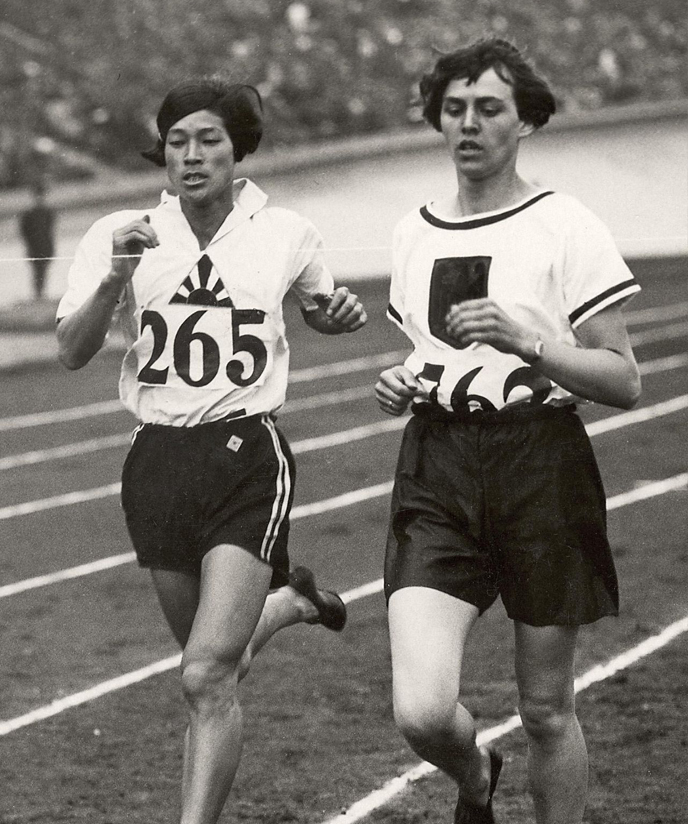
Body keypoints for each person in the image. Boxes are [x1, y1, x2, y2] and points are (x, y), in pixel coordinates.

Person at [56, 79, 366, 824]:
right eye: (178, 142)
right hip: (157, 461)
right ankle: (289, 603)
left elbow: (322, 310)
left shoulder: (285, 231)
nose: (192, 157)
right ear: (161, 151)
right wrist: (116, 278)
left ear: (239, 149)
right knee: (217, 662)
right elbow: (71, 350)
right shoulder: (118, 232)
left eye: (209, 140)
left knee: (203, 675)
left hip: (246, 454)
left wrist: (340, 316)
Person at [374, 37, 641, 824]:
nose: (468, 123)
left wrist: (527, 341)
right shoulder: (413, 233)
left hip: (539, 463)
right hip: (439, 464)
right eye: (453, 108)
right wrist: (402, 379)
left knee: (546, 709)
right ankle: (474, 777)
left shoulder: (566, 225)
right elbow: (430, 355)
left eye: (488, 108)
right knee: (421, 711)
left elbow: (625, 379)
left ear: (524, 120)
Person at [19, 181, 55, 301]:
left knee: (43, 272)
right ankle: (38, 296)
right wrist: (29, 247)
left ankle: (41, 295)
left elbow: (50, 232)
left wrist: (52, 247)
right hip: (34, 248)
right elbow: (24, 233)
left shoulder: (48, 212)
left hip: (45, 247)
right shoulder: (28, 214)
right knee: (36, 272)